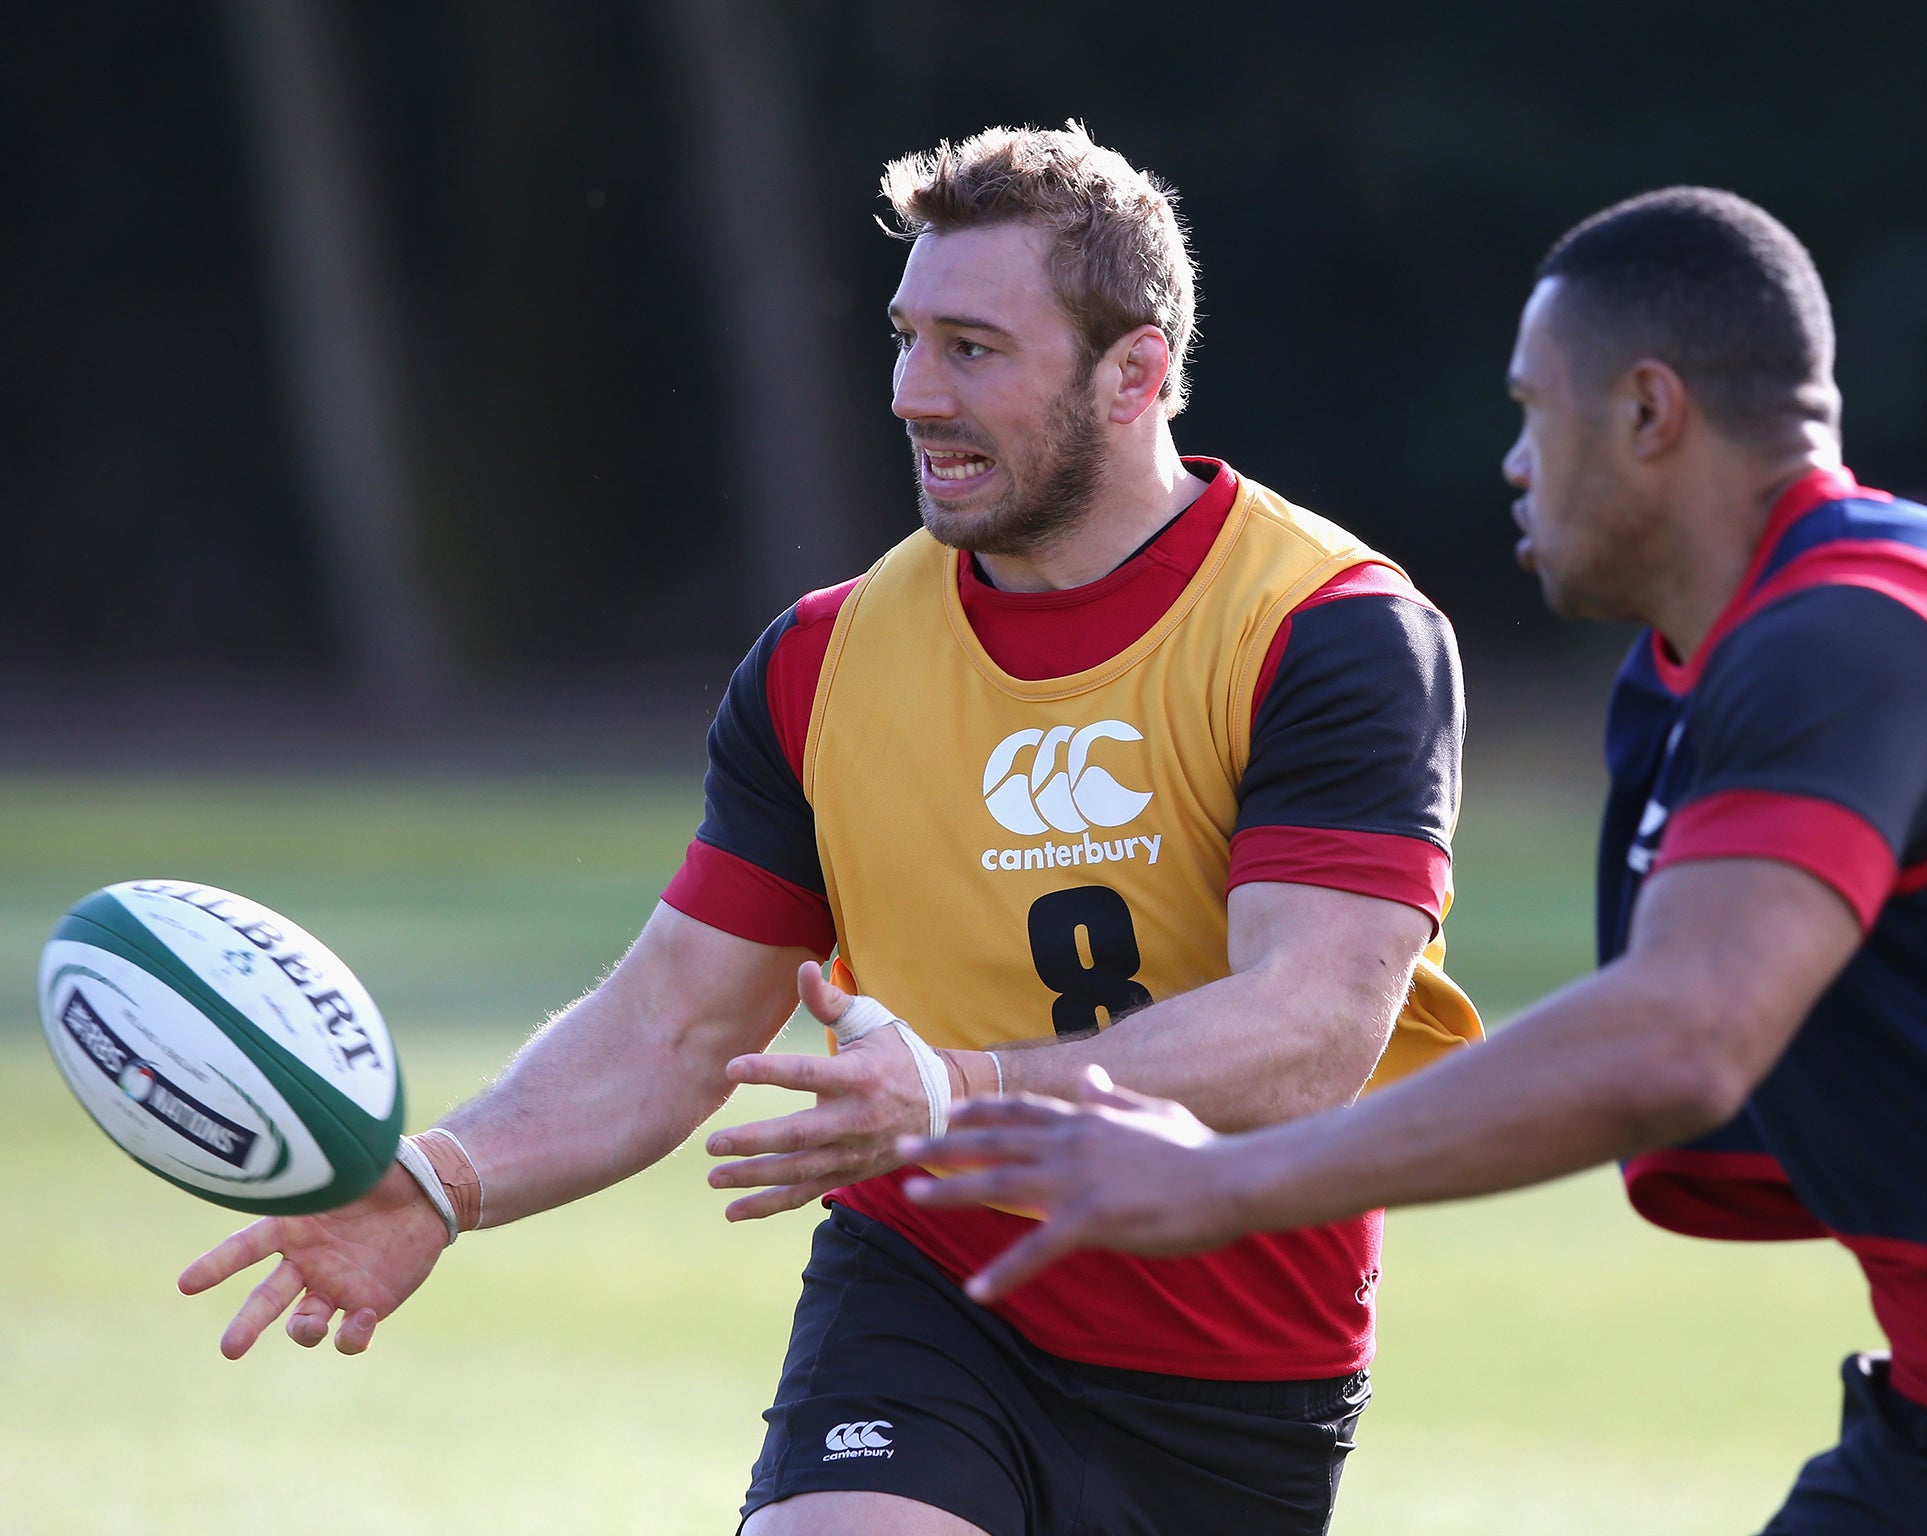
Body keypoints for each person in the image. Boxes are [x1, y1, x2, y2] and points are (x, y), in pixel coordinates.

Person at [177, 122, 1482, 1536]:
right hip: (930, 1296)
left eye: (973, 348)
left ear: (1137, 372)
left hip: (1237, 1368)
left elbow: (1308, 1034)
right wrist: (436, 1183)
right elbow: (675, 1021)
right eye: (907, 338)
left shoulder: (1329, 633)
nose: (917, 391)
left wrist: (963, 1091)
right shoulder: (824, 659)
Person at [905, 186, 1927, 1534]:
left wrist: (1222, 1180)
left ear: (1646, 413)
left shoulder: (1852, 634)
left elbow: (1680, 1037)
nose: (1514, 461)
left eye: (1532, 411)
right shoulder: (1710, 668)